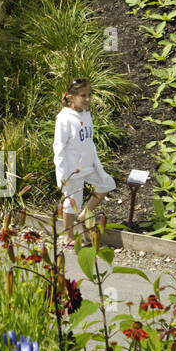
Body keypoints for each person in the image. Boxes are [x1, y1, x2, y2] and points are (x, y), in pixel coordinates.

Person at [53, 78, 116, 249]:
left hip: (89, 164)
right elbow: (59, 147)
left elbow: (88, 140)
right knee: (71, 202)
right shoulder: (64, 118)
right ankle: (68, 237)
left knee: (106, 184)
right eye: (83, 96)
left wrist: (95, 160)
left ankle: (84, 215)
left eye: (89, 95)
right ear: (71, 97)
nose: (88, 99)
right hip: (73, 169)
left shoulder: (86, 114)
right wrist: (62, 174)